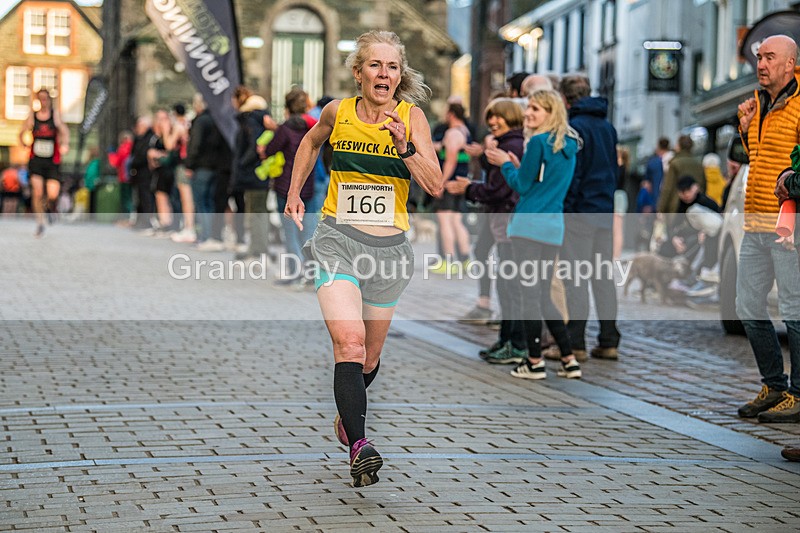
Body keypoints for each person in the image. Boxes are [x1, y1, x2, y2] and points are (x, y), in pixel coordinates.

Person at [284, 30, 443, 487]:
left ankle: (347, 418)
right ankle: (359, 444)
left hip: (389, 251)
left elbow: (434, 185)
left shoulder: (412, 119)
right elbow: (312, 143)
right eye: (375, 65)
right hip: (337, 238)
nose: (384, 74)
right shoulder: (338, 111)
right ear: (359, 73)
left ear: (400, 75)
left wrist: (405, 148)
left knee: (369, 358)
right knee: (349, 345)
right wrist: (295, 192)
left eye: (392, 67)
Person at [485, 89, 581, 381]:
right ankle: (569, 358)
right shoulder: (569, 147)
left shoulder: (538, 142)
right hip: (552, 228)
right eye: (529, 108)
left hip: (527, 227)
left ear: (551, 113)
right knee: (543, 296)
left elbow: (523, 186)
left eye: (536, 109)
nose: (528, 113)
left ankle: (534, 361)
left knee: (529, 295)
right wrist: (517, 165)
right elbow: (543, 183)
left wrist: (503, 163)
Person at [735, 35, 800, 423]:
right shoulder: (757, 103)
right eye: (759, 57)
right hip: (755, 221)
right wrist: (745, 129)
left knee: (794, 309)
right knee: (746, 306)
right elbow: (756, 159)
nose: (761, 64)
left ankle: (797, 393)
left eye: (770, 57)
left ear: (790, 64)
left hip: (788, 224)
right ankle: (774, 385)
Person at [446, 98, 526, 363]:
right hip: (502, 222)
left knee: (511, 285)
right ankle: (507, 340)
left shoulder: (512, 145)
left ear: (511, 117)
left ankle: (515, 344)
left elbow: (500, 189)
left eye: (498, 117)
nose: (492, 122)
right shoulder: (502, 144)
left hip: (509, 222)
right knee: (506, 284)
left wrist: (467, 188)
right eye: (490, 117)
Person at [558, 74, 621, 361]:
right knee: (603, 277)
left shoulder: (574, 128)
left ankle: (577, 343)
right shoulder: (608, 128)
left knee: (576, 278)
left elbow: (574, 174)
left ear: (566, 99)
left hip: (579, 213)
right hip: (604, 212)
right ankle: (609, 339)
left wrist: (567, 208)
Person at [259, 86, 318, 285]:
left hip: (286, 186)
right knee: (308, 232)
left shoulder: (285, 129)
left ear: (288, 106)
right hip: (308, 185)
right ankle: (311, 274)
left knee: (290, 231)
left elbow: (269, 150)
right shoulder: (312, 127)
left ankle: (295, 273)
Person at [19, 89, 69, 237]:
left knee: (53, 194)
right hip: (36, 160)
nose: (43, 101)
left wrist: (64, 144)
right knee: (38, 192)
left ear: (49, 100)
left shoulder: (55, 115)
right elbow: (22, 132)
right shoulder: (32, 117)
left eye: (45, 98)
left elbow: (64, 131)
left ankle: (48, 208)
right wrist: (23, 142)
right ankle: (40, 223)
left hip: (52, 160)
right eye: (40, 99)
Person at [430, 102, 472, 273]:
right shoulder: (464, 131)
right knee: (456, 221)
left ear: (451, 114)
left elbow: (451, 158)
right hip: (460, 182)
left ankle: (448, 261)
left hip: (450, 183)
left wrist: (440, 182)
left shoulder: (453, 132)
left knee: (445, 221)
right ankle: (465, 259)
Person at [185, 93, 223, 248]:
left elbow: (195, 145)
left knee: (201, 203)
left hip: (201, 167)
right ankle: (211, 235)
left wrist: (189, 165)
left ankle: (205, 236)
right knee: (210, 203)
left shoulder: (201, 121)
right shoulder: (217, 120)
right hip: (215, 167)